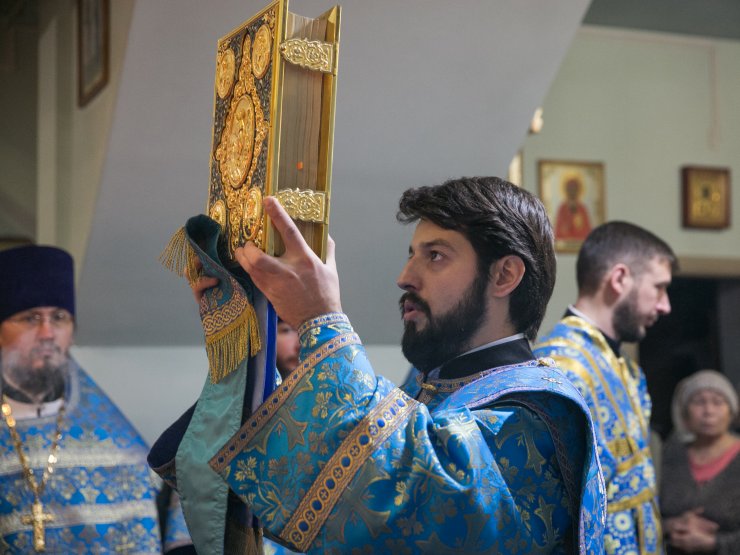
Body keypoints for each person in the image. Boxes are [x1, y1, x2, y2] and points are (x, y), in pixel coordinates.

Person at [151, 176, 606, 554]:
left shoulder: (538, 412)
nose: (405, 278)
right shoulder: (437, 391)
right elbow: (318, 489)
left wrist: (320, 319)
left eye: (435, 256)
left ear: (504, 275)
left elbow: (403, 500)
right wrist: (249, 341)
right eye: (411, 255)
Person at [0, 245, 194, 554]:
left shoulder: (120, 449)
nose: (47, 333)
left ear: (72, 332)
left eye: (59, 318)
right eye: (30, 318)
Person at [534, 221, 677, 555]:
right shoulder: (560, 367)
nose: (665, 305)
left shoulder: (623, 366)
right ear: (619, 279)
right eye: (659, 288)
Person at [660, 370, 740, 554]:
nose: (708, 411)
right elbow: (650, 512)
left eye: (718, 402)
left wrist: (714, 543)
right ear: (685, 413)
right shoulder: (671, 454)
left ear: (731, 411)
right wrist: (671, 525)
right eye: (699, 402)